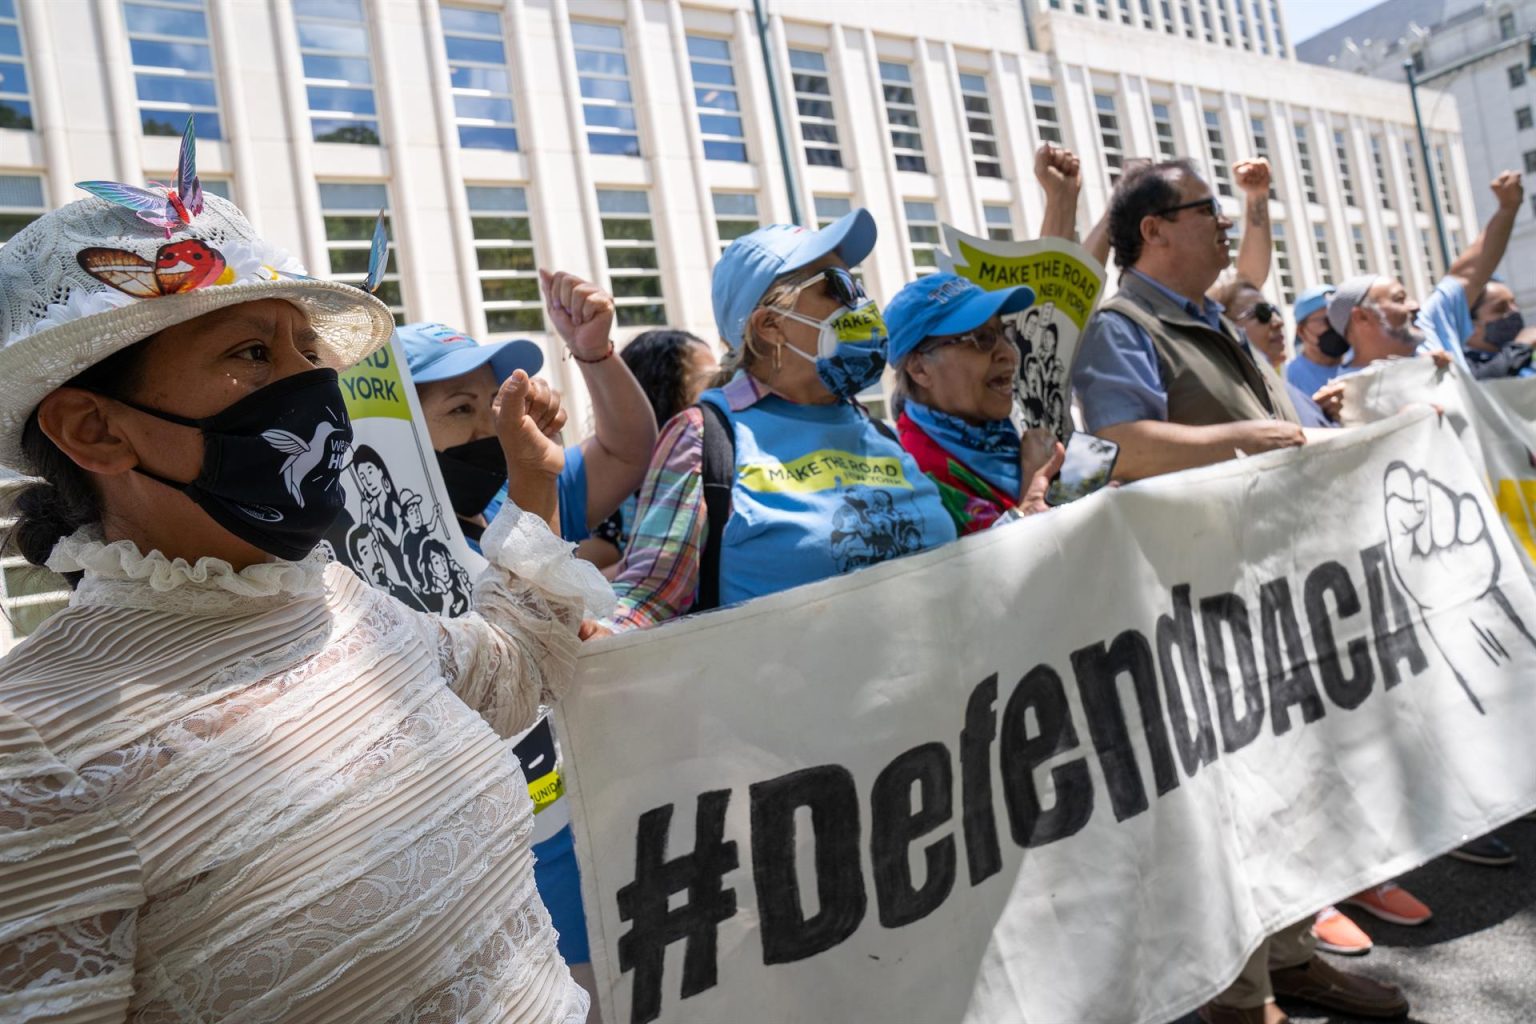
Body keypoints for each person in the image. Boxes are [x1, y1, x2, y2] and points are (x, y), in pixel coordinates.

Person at [0, 191, 613, 1021]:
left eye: (307, 347)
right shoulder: (33, 749)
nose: (314, 386)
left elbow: (509, 672)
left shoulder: (343, 601)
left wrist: (532, 483)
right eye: (252, 352)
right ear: (95, 430)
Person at [1070, 159, 1408, 1024]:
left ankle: (1291, 956)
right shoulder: (1121, 325)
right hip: (1199, 602)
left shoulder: (1201, 318)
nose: (1224, 226)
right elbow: (1121, 445)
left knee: (1295, 784)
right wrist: (1251, 434)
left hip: (1270, 587)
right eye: (1207, 212)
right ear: (1154, 228)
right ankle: (1238, 993)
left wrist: (1315, 423)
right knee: (1233, 804)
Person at [607, 209, 958, 629]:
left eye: (857, 285)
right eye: (837, 286)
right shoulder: (704, 437)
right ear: (771, 325)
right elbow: (647, 599)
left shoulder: (878, 432)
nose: (861, 304)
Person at [404, 275, 657, 554]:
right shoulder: (392, 546)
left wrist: (593, 352)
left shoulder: (512, 492)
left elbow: (625, 452)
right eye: (461, 408)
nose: (493, 425)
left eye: (494, 400)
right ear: (401, 425)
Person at [883, 273, 1064, 535]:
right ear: (920, 368)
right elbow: (999, 570)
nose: (1010, 355)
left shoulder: (999, 427)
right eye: (981, 339)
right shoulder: (915, 476)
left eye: (1004, 334)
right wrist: (1034, 478)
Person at [585, 328, 721, 570]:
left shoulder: (715, 461)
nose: (722, 393)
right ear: (659, 394)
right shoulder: (614, 495)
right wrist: (660, 561)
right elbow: (576, 588)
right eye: (710, 383)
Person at [1464, 279, 1532, 379]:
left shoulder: (1526, 353)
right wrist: (1519, 347)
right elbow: (1482, 382)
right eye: (1500, 309)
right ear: (1470, 326)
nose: (1515, 312)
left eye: (1514, 304)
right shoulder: (1462, 364)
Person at [1285, 285, 1344, 397]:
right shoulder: (1290, 378)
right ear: (1301, 331)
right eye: (1327, 320)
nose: (1335, 326)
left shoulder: (1362, 362)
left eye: (1338, 317)